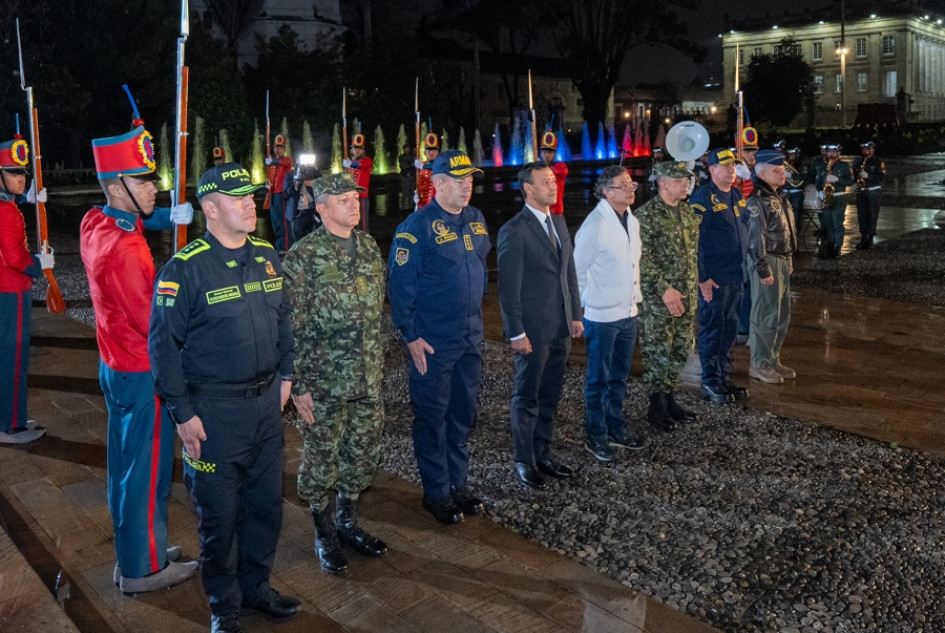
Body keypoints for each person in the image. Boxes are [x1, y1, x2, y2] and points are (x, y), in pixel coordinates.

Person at [149, 163, 300, 633]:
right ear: (209, 209)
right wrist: (182, 413)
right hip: (213, 414)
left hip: (265, 409)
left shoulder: (267, 256)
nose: (249, 204)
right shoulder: (186, 269)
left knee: (265, 508)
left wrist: (288, 375)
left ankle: (256, 588)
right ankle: (224, 606)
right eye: (237, 198)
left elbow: (284, 322)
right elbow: (162, 348)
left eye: (250, 196)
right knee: (219, 516)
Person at [80, 109, 197, 593]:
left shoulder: (96, 222)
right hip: (141, 369)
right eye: (144, 181)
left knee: (125, 468)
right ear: (116, 186)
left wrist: (172, 216)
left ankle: (139, 544)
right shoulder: (126, 250)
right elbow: (155, 323)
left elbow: (127, 225)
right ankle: (141, 568)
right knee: (146, 475)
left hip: (114, 366)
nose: (156, 188)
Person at [282, 172, 387, 574]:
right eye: (343, 200)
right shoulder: (303, 257)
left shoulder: (369, 246)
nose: (353, 204)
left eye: (355, 198)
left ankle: (347, 522)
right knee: (321, 460)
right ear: (322, 209)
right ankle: (323, 530)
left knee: (360, 454)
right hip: (323, 383)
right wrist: (299, 385)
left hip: (366, 377)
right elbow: (290, 325)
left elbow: (376, 313)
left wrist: (376, 368)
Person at [388, 149, 490, 525]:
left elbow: (478, 268)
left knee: (462, 415)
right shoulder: (416, 227)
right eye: (458, 181)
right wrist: (410, 335)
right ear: (439, 183)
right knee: (433, 417)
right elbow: (401, 286)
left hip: (469, 338)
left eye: (470, 181)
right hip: (432, 342)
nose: (467, 187)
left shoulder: (475, 219)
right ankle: (436, 492)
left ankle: (457, 483)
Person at [497, 162, 582, 489]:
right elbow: (508, 288)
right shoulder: (514, 231)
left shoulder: (558, 222)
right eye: (545, 181)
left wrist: (574, 313)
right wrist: (516, 331)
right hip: (532, 331)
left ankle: (543, 451)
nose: (553, 185)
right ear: (528, 189)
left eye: (553, 180)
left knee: (550, 393)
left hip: (560, 327)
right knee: (527, 395)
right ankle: (524, 459)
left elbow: (568, 273)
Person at [573, 165, 644, 462]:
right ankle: (597, 433)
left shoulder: (632, 220)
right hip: (602, 317)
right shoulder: (595, 226)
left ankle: (616, 426)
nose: (630, 189)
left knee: (619, 376)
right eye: (623, 185)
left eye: (632, 184)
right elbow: (577, 272)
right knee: (598, 378)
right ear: (606, 191)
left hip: (628, 312)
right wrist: (584, 307)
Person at [635, 161, 700, 433]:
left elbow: (693, 255)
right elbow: (641, 259)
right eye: (679, 180)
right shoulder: (645, 216)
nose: (686, 183)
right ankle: (656, 405)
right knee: (658, 352)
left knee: (680, 349)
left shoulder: (688, 213)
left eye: (687, 179)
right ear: (663, 184)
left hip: (687, 296)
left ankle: (669, 397)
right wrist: (664, 289)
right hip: (658, 300)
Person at [0, 133, 51, 445]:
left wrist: (28, 199)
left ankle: (10, 415)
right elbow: (14, 257)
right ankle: (11, 425)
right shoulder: (5, 211)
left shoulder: (7, 206)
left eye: (23, 173)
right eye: (14, 173)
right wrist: (40, 263)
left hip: (6, 291)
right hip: (12, 292)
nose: (22, 178)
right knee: (13, 358)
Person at [688, 149, 750, 404]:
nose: (731, 170)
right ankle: (710, 381)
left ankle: (723, 377)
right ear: (712, 170)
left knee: (729, 330)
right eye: (725, 166)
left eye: (733, 166)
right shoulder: (702, 198)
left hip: (735, 275)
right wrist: (702, 277)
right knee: (712, 330)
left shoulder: (735, 194)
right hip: (714, 278)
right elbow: (695, 242)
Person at [745, 150, 798, 384]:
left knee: (780, 313)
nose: (782, 173)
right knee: (765, 314)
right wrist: (763, 268)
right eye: (776, 170)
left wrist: (789, 259)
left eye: (782, 169)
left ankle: (772, 358)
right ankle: (759, 363)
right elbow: (756, 237)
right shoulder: (758, 199)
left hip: (782, 259)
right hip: (768, 260)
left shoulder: (779, 195)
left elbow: (786, 231)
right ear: (763, 173)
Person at [814, 143, 854, 259]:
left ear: (838, 153)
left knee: (837, 223)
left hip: (838, 197)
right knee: (828, 224)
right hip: (826, 197)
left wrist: (838, 179)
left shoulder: (845, 166)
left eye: (833, 151)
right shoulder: (822, 166)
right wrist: (819, 192)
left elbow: (850, 181)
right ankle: (830, 246)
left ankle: (837, 247)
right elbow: (818, 180)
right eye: (829, 152)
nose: (830, 154)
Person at [852, 141, 885, 249]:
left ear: (872, 150)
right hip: (861, 190)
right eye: (863, 149)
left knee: (872, 215)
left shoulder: (878, 161)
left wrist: (868, 176)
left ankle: (870, 238)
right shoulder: (858, 160)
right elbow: (853, 176)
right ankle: (863, 237)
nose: (864, 151)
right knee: (861, 215)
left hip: (873, 191)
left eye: (867, 148)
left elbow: (882, 178)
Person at [266, 134, 293, 253]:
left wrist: (271, 161)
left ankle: (285, 246)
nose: (278, 150)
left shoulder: (287, 160)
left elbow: (280, 163)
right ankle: (278, 245)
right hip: (273, 194)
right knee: (275, 221)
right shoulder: (272, 163)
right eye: (276, 147)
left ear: (284, 149)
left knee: (283, 222)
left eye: (281, 147)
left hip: (282, 194)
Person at [285, 162, 321, 242]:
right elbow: (286, 193)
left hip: (311, 212)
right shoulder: (290, 176)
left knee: (315, 237)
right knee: (297, 239)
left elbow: (321, 188)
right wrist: (296, 185)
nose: (303, 173)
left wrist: (313, 184)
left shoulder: (313, 175)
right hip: (297, 213)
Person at [344, 133, 372, 229]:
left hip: (361, 196)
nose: (357, 150)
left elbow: (358, 165)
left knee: (363, 223)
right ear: (351, 150)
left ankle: (364, 243)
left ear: (363, 150)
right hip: (351, 197)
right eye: (355, 148)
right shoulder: (350, 164)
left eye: (359, 148)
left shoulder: (367, 160)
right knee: (352, 222)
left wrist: (349, 164)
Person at [538, 131, 568, 215]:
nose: (546, 155)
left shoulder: (560, 166)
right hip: (542, 211)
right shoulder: (538, 168)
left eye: (549, 152)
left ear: (554, 153)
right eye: (544, 152)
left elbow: (560, 172)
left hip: (556, 211)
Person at [414, 132, 439, 209]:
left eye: (434, 150)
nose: (431, 152)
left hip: (437, 206)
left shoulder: (441, 165)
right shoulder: (420, 168)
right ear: (424, 152)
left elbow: (435, 167)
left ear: (437, 152)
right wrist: (416, 197)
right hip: (423, 205)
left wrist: (422, 166)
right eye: (429, 150)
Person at [784, 147, 806, 228]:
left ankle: (795, 234)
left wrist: (791, 175)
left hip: (796, 193)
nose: (791, 156)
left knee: (795, 215)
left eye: (793, 154)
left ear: (797, 155)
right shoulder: (785, 164)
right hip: (785, 192)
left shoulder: (801, 166)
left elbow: (804, 177)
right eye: (789, 154)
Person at [398, 143, 416, 211]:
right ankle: (403, 207)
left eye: (408, 148)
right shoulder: (401, 156)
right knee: (405, 192)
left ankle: (410, 206)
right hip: (405, 176)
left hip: (411, 176)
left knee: (411, 192)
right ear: (403, 149)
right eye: (406, 148)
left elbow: (413, 164)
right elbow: (403, 165)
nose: (407, 150)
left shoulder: (412, 156)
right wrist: (411, 164)